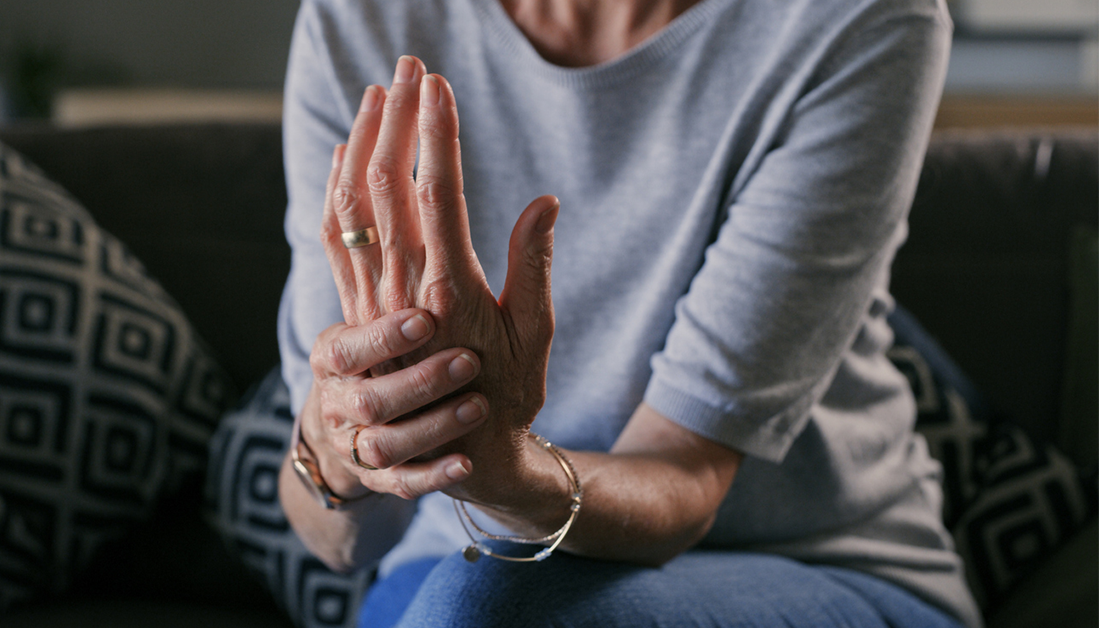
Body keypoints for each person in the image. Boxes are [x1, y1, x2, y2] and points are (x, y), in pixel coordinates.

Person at [276, 0, 982, 626]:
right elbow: (340, 540)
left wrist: (503, 467)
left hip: (805, 563)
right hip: (449, 566)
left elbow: (685, 479)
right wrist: (346, 442)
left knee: (487, 609)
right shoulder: (358, 18)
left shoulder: (855, 19)